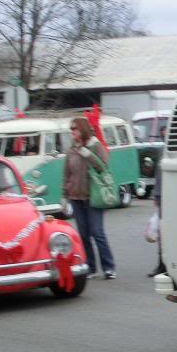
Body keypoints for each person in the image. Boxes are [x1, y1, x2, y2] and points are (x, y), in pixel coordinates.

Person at [63, 116, 116, 280]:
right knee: (83, 234)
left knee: (97, 232)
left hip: (93, 196)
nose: (72, 132)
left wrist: (88, 155)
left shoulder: (95, 145)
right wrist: (64, 196)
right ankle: (90, 267)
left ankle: (109, 267)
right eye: (71, 129)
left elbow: (103, 167)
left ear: (82, 130)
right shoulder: (71, 149)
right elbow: (66, 174)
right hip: (75, 197)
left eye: (75, 129)